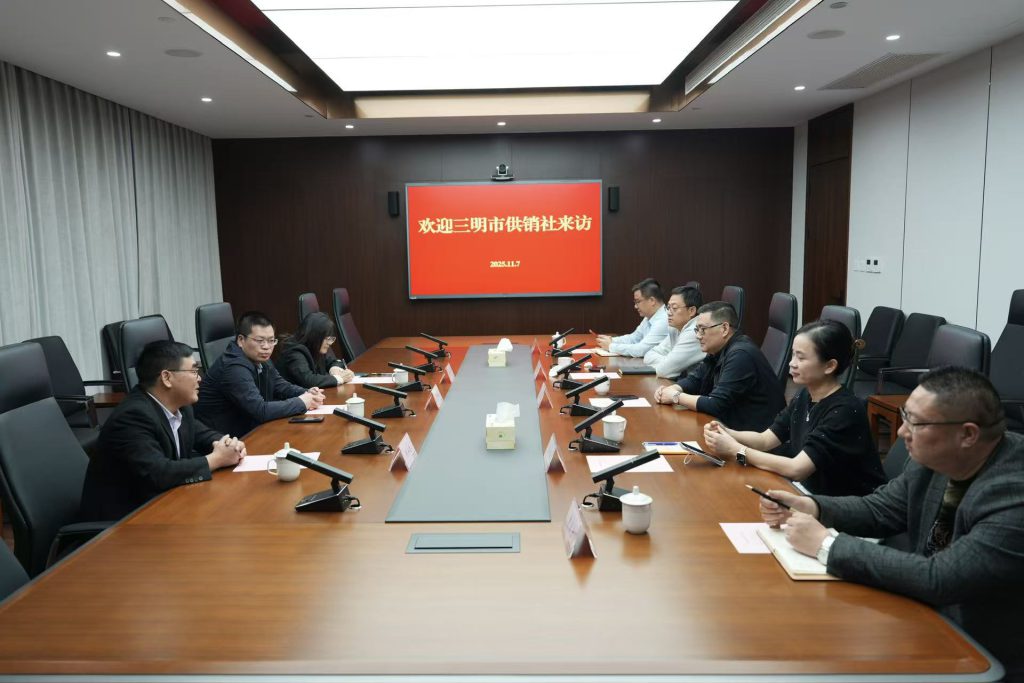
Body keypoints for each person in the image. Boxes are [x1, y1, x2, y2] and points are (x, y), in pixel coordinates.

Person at [759, 367, 1024, 682]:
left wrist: (826, 544)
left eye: (916, 423)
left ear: (968, 434)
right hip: (923, 615)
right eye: (905, 416)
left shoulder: (1013, 494)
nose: (900, 432)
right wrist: (814, 506)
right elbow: (880, 509)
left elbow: (941, 578)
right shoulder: (938, 456)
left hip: (980, 650)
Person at [703, 320, 885, 496]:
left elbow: (797, 469)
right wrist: (726, 432)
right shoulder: (805, 394)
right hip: (811, 495)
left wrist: (735, 450)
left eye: (801, 357)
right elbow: (765, 440)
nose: (792, 363)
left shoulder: (844, 410)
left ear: (829, 366)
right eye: (793, 354)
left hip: (848, 507)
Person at [79, 340, 246, 521]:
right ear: (166, 378)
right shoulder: (132, 417)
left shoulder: (180, 406)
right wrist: (216, 459)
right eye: (193, 371)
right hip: (124, 522)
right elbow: (159, 473)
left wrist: (229, 445)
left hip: (164, 505)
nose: (199, 378)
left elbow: (203, 435)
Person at [655, 301, 785, 432]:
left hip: (753, 435)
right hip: (729, 427)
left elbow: (716, 404)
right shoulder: (717, 350)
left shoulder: (740, 355)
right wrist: (673, 388)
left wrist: (676, 397)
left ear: (724, 329)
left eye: (703, 329)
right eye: (697, 329)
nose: (698, 336)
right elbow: (697, 379)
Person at [196, 311, 324, 436]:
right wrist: (301, 402)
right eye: (260, 340)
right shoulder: (233, 368)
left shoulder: (260, 358)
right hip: (224, 440)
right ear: (241, 340)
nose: (266, 347)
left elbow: (280, 385)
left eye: (271, 340)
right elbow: (260, 410)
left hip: (251, 430)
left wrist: (308, 392)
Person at [276, 312, 355, 388]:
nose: (330, 343)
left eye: (331, 339)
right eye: (327, 339)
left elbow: (334, 361)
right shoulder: (294, 352)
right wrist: (339, 379)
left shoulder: (315, 348)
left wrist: (334, 369)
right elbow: (308, 380)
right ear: (315, 336)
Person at [642, 285, 705, 379]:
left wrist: (668, 363)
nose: (668, 312)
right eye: (668, 307)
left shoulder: (694, 332)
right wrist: (668, 361)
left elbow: (663, 371)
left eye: (674, 308)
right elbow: (648, 355)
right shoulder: (675, 328)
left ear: (691, 311)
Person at [596, 278, 668, 357]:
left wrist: (611, 346)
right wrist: (612, 340)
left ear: (652, 301)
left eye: (638, 302)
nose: (635, 306)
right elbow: (634, 338)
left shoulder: (664, 320)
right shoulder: (649, 316)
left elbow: (641, 350)